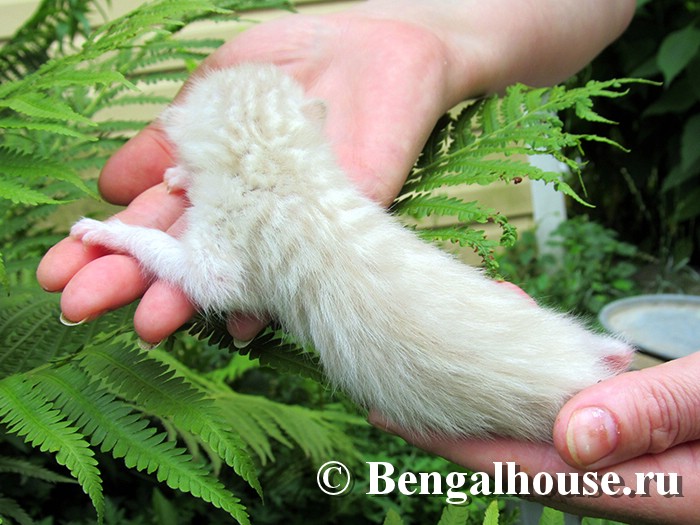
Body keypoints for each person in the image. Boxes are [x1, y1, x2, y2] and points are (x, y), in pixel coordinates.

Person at [38, 1, 700, 522]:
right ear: (306, 124)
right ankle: (589, 360)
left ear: (198, 146)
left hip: (482, 392)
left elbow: (214, 279)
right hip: (538, 364)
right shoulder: (305, 183)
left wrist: (128, 237)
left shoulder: (236, 208)